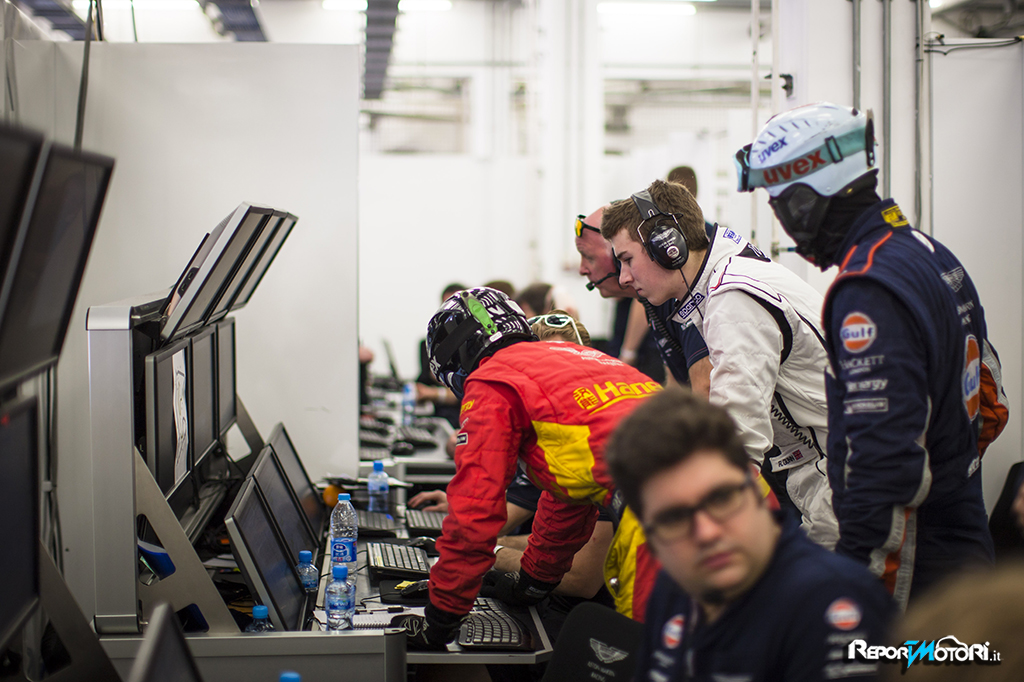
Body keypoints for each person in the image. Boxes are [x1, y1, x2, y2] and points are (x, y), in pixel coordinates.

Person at [736, 102, 1009, 606]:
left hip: (909, 572)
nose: (785, 223)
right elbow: (991, 401)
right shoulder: (929, 253)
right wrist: (952, 470)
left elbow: (882, 465)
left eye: (780, 205)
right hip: (964, 543)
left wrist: (852, 579)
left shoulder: (867, 288)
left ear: (806, 200)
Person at [392, 287, 663, 649]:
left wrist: (441, 618)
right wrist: (534, 580)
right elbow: (569, 490)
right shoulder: (582, 357)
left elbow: (474, 511)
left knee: (648, 657)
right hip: (723, 484)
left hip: (663, 515)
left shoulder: (493, 380)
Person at [601, 180, 839, 549]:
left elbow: (738, 434)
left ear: (668, 246)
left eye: (628, 259)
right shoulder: (730, 276)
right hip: (829, 469)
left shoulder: (732, 298)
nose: (624, 278)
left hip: (843, 476)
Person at [606, 387, 895, 682]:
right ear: (650, 537)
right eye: (674, 518)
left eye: (721, 498)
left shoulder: (832, 604)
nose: (706, 533)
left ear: (754, 484)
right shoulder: (672, 587)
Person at [574, 206, 711, 395]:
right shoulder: (655, 301)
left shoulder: (678, 297)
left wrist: (627, 354)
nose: (582, 269)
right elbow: (676, 386)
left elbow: (705, 390)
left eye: (589, 257)